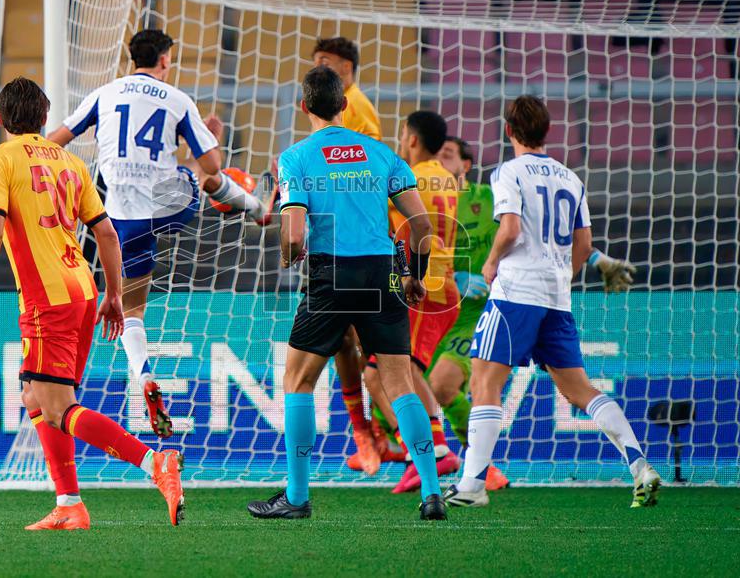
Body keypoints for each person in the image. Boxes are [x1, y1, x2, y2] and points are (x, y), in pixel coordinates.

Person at [0, 77, 184, 529]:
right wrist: (114, 295)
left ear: (1, 119)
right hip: (84, 292)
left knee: (59, 408)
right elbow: (105, 233)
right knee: (35, 395)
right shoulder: (70, 160)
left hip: (47, 300)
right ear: (45, 119)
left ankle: (153, 463)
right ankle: (69, 504)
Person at [246, 66, 448, 521]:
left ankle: (296, 497)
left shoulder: (296, 158)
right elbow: (421, 227)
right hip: (382, 274)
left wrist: (286, 253)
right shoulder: (381, 154)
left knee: (298, 380)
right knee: (400, 384)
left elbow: (294, 235)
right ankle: (432, 492)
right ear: (343, 106)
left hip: (331, 275)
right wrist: (414, 274)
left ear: (304, 108)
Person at [48, 29, 271, 438]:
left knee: (132, 311)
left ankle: (144, 374)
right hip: (168, 201)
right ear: (166, 60)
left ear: (132, 58)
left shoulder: (105, 93)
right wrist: (209, 137)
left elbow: (56, 141)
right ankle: (258, 209)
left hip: (118, 218)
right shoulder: (177, 99)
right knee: (207, 175)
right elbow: (213, 161)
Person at [442, 95, 660, 508]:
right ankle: (638, 464)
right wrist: (563, 277)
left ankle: (472, 485)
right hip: (556, 298)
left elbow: (508, 230)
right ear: (547, 132)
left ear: (509, 131)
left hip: (515, 293)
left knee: (484, 383)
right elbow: (585, 244)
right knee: (580, 389)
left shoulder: (507, 171)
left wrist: (490, 264)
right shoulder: (570, 177)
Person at [361, 111, 463, 494]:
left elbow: (398, 230)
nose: (400, 141)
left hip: (425, 286)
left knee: (391, 371)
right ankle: (422, 451)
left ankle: (430, 450)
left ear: (413, 140)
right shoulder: (448, 178)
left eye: (403, 134)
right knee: (384, 371)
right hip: (443, 285)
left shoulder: (407, 176)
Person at [308, 37, 387, 475]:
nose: (318, 70)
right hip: (358, 240)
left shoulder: (351, 107)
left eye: (326, 64)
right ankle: (373, 437)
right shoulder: (352, 108)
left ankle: (372, 436)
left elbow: (350, 175)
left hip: (350, 243)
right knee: (352, 344)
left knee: (350, 346)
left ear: (347, 68)